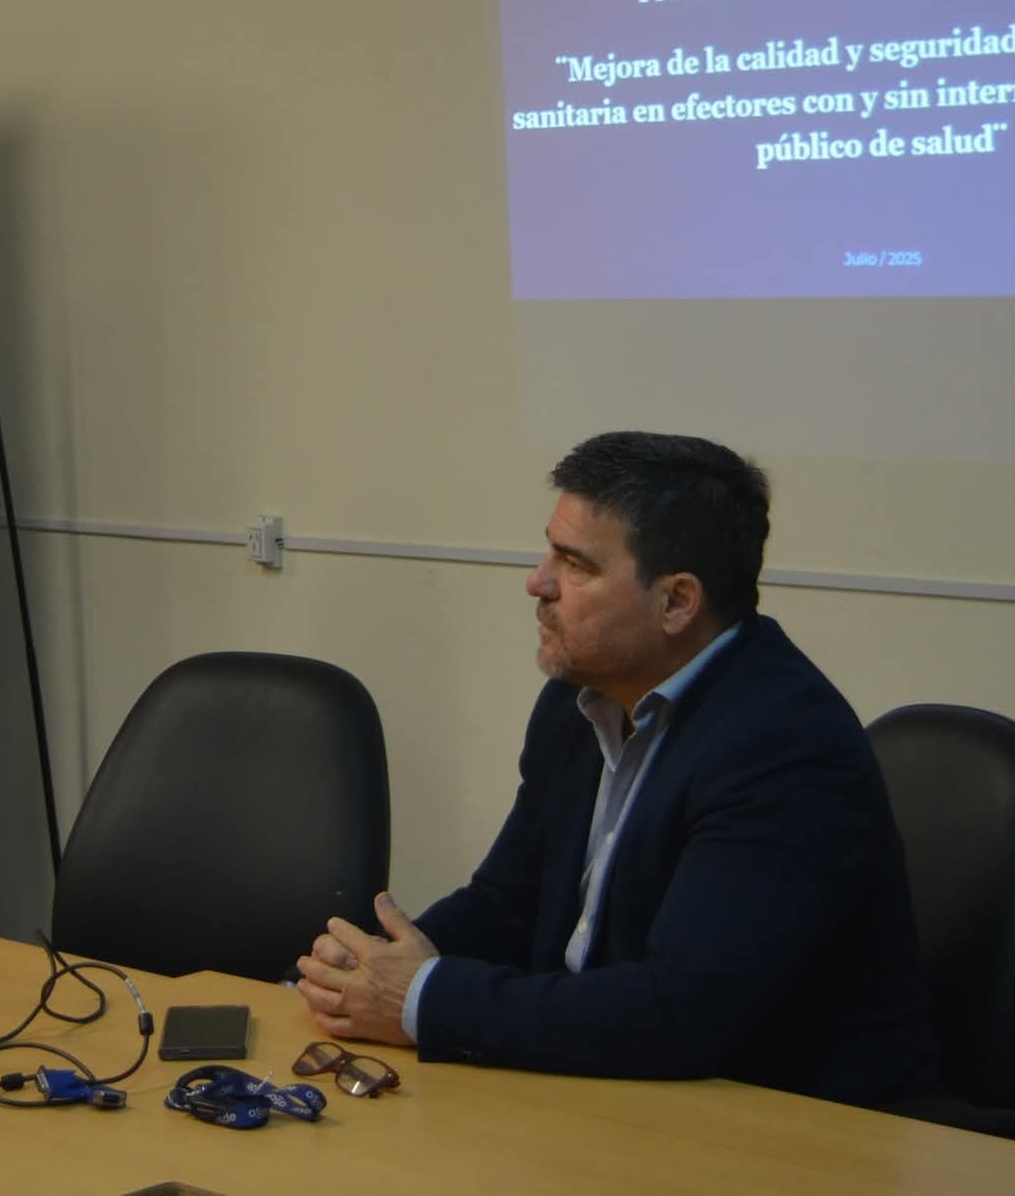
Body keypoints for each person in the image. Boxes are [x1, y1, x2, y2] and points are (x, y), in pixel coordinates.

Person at [295, 430, 940, 1105]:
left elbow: (680, 1011)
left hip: (795, 1124)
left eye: (575, 564)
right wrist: (363, 969)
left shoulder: (786, 745)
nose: (537, 581)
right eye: (550, 549)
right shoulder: (580, 699)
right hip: (620, 1094)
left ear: (677, 602)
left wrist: (422, 998)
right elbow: (509, 905)